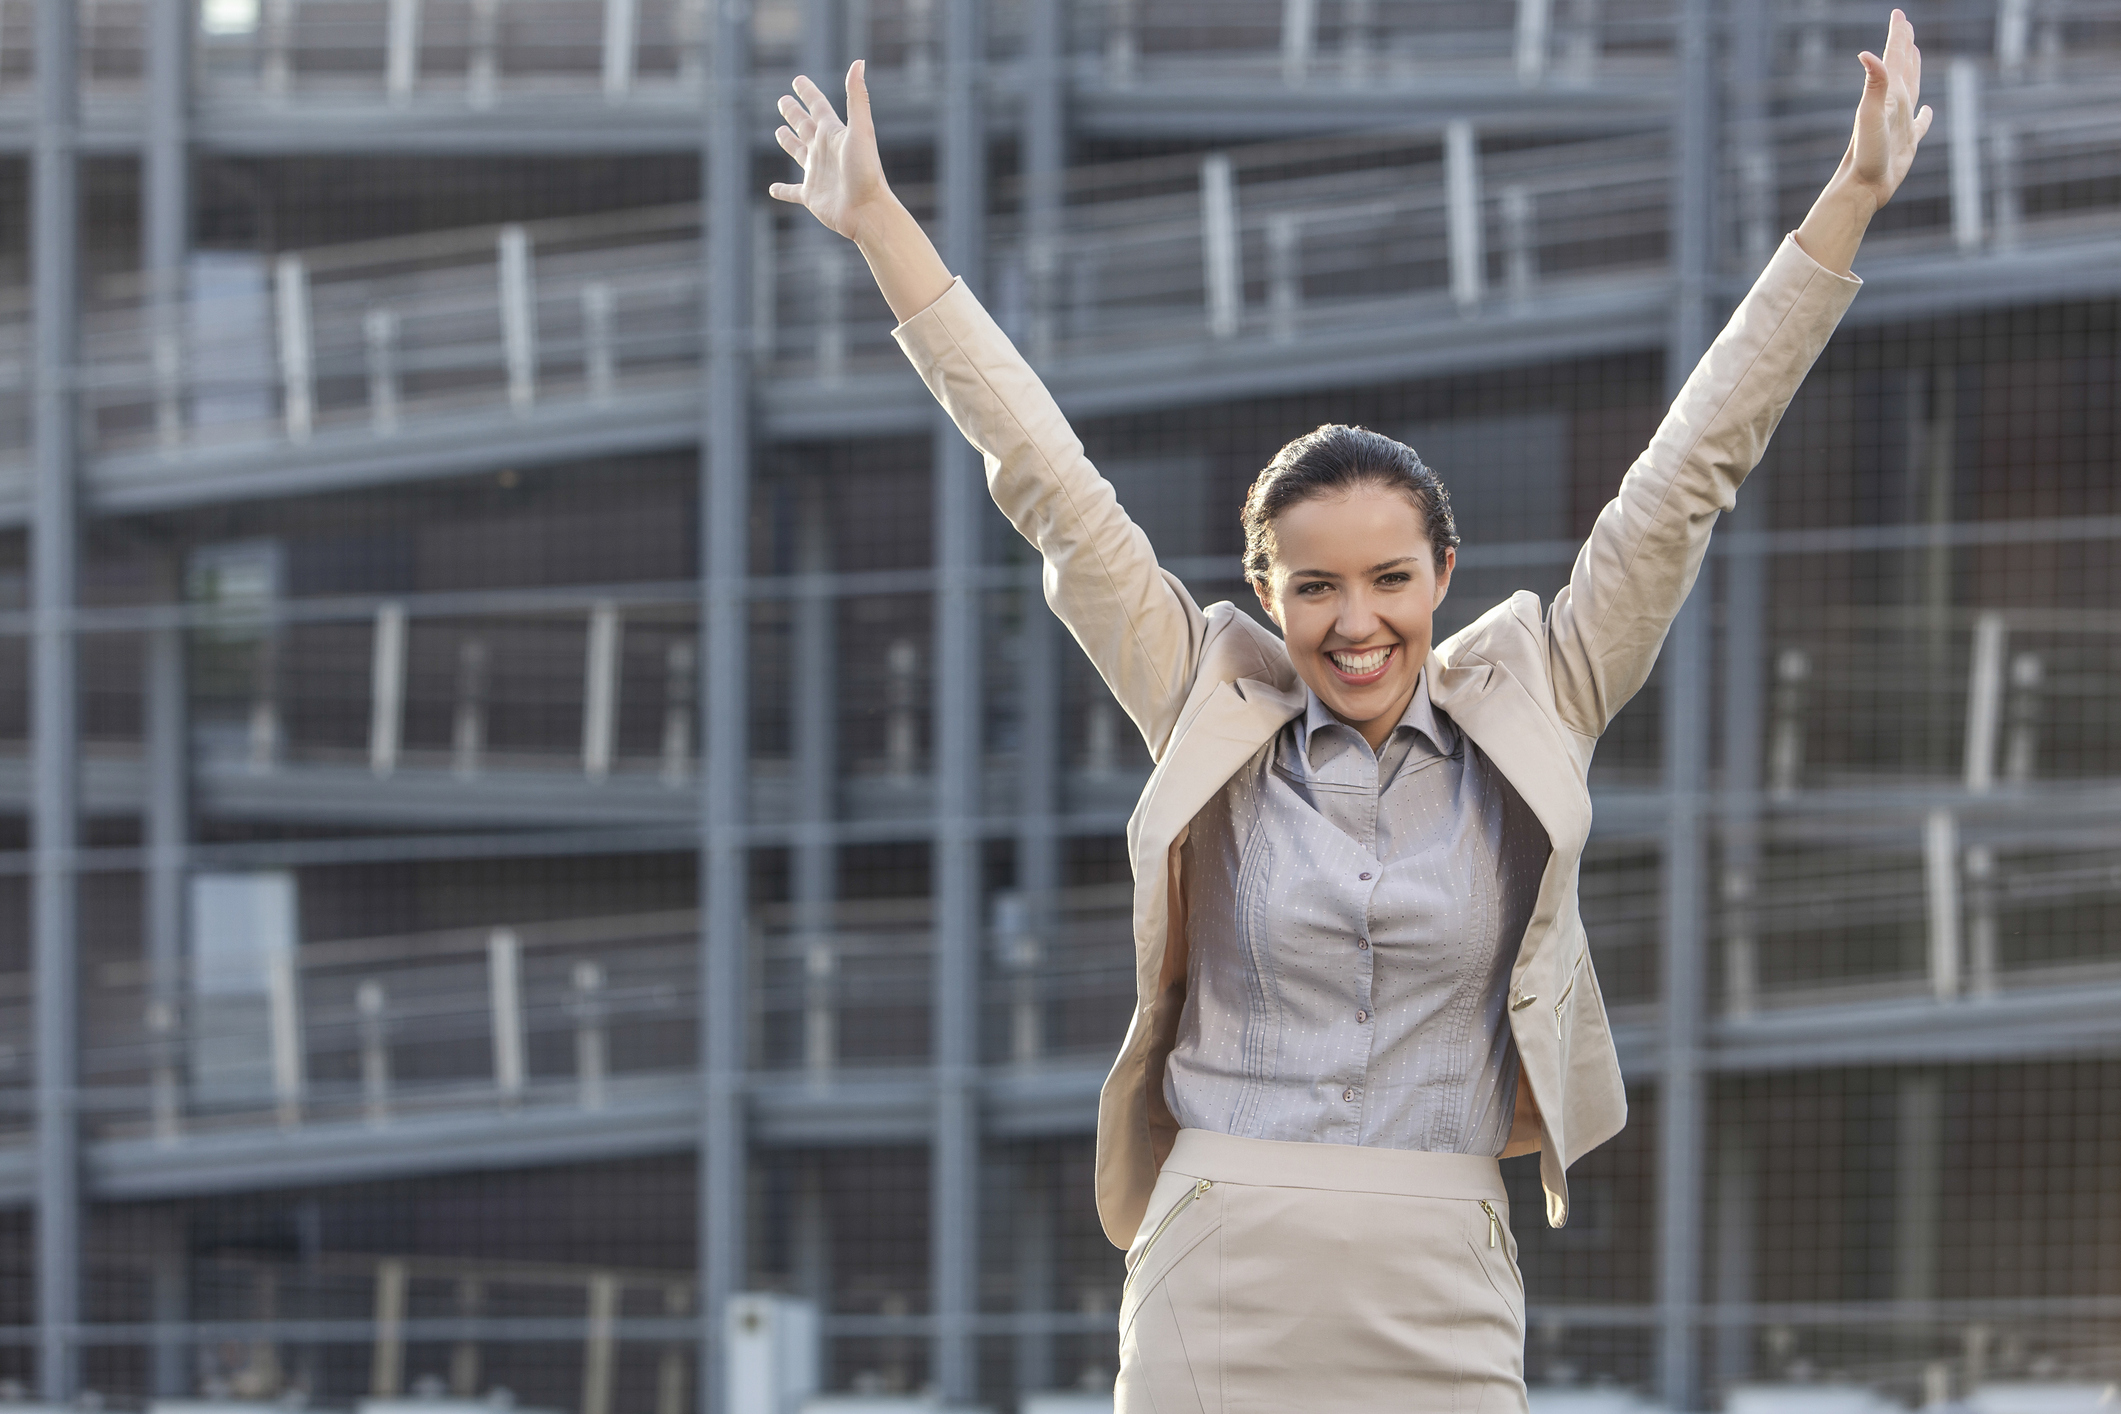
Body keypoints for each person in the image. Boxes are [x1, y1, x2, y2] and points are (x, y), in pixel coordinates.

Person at [771, 13, 1931, 1409]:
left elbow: (1692, 466)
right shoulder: (1204, 694)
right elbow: (1047, 483)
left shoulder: (1542, 696)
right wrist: (881, 225)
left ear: (1444, 571)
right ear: (1264, 588)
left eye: (1390, 577)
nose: (1355, 620)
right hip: (1217, 1254)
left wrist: (1849, 196)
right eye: (1313, 586)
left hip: (1438, 1264)